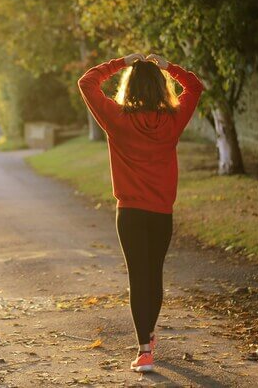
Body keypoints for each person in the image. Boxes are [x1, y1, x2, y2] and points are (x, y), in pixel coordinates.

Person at [77, 53, 204, 373]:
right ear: (161, 88)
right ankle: (148, 334)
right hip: (161, 213)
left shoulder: (116, 118)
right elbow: (195, 86)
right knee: (154, 275)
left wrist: (122, 62)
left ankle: (144, 349)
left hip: (130, 213)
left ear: (128, 87)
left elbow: (87, 82)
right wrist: (168, 67)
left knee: (138, 277)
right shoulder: (173, 119)